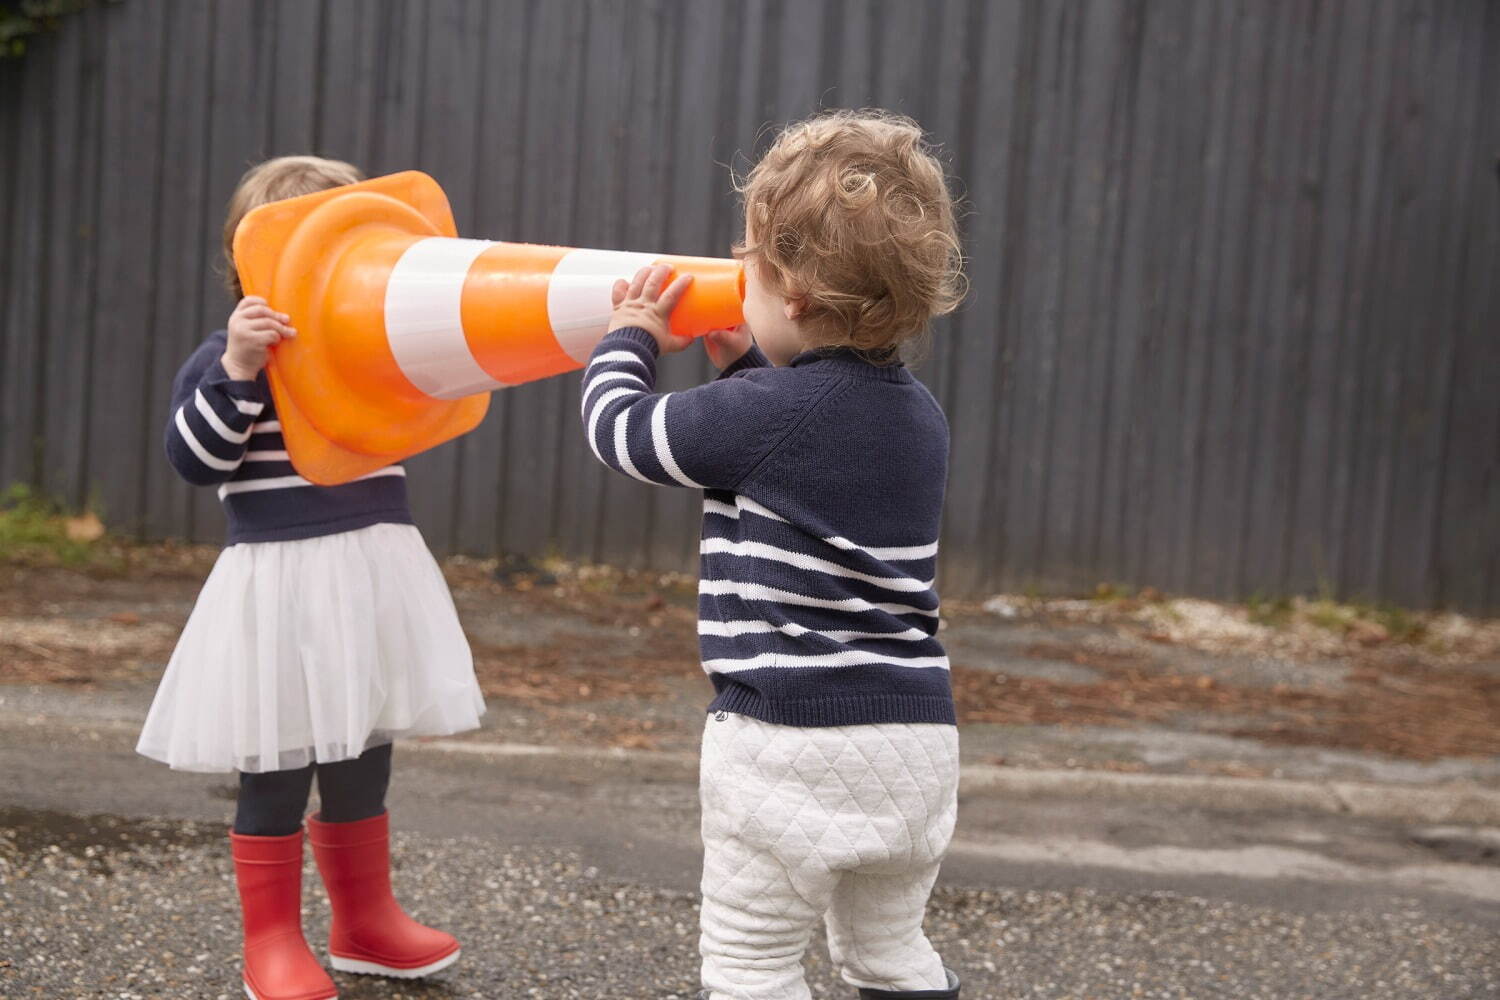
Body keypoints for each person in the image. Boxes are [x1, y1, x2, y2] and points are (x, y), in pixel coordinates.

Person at [578, 111, 966, 999]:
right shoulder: (920, 418)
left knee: (753, 966)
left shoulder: (768, 416)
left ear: (791, 294)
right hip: (916, 745)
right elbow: (804, 457)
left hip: (791, 744)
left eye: (747, 260)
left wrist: (627, 338)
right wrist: (748, 369)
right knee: (888, 951)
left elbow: (621, 435)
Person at [136, 155, 485, 1000]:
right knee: (278, 767)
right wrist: (240, 375)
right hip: (281, 586)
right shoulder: (224, 359)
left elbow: (441, 398)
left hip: (371, 571)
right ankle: (273, 943)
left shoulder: (372, 353)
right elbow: (194, 460)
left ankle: (365, 923)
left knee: (365, 752)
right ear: (250, 262)